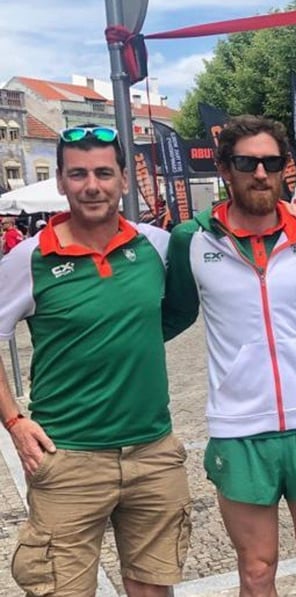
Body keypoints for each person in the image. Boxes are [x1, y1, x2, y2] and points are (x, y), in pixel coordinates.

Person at [162, 115, 296, 596]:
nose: (261, 173)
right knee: (256, 570)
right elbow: (175, 316)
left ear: (285, 167)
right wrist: (108, 350)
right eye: (247, 162)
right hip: (239, 427)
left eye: (272, 162)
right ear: (226, 168)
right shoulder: (192, 239)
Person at [0, 124, 191, 596]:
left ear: (124, 180)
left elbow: (224, 249)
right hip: (69, 458)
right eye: (78, 174)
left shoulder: (156, 245)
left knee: (153, 589)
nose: (92, 185)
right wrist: (14, 422)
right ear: (62, 182)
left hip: (153, 453)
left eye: (104, 173)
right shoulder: (29, 258)